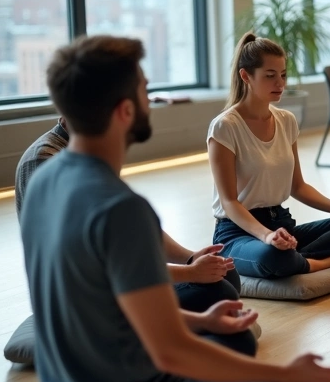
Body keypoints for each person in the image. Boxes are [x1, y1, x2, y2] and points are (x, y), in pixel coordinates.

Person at [20, 35, 330, 382]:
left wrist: (201, 321)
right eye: (144, 90)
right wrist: (286, 373)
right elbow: (170, 350)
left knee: (234, 336)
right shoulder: (121, 208)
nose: (149, 99)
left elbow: (105, 306)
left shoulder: (44, 180)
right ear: (125, 110)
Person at [16, 119, 256, 354]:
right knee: (221, 296)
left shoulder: (92, 154)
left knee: (226, 276)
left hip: (115, 287)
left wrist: (190, 258)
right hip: (83, 302)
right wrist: (190, 273)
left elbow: (132, 231)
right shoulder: (44, 161)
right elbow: (95, 271)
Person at [209, 33, 330, 280]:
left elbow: (298, 187)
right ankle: (327, 261)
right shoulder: (225, 126)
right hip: (237, 232)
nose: (279, 83)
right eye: (270, 75)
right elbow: (229, 202)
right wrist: (266, 236)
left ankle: (296, 259)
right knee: (273, 256)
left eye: (283, 75)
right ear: (246, 76)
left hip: (280, 224)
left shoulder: (286, 120)